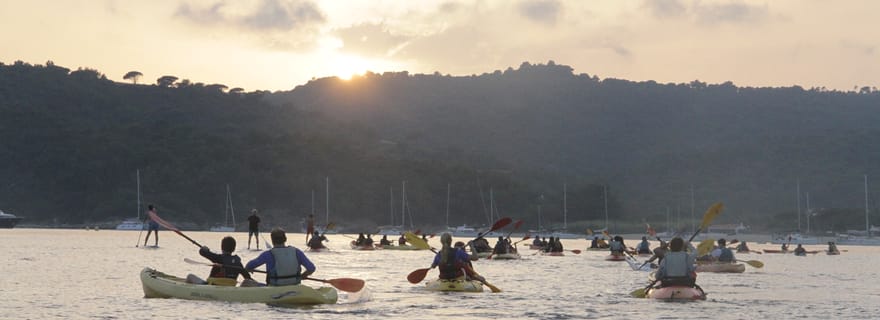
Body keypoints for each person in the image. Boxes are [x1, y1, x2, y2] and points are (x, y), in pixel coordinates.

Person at [246, 228, 315, 286]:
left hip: (275, 287)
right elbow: (311, 268)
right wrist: (302, 276)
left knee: (246, 283)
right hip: (294, 285)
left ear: (272, 241)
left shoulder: (268, 254)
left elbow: (249, 266)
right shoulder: (297, 252)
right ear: (285, 239)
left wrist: (249, 269)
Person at [186, 236, 255, 286]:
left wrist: (205, 249)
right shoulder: (238, 262)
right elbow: (247, 277)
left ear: (222, 247)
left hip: (212, 286)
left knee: (190, 276)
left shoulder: (218, 258)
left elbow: (202, 252)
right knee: (247, 281)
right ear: (233, 249)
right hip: (230, 286)